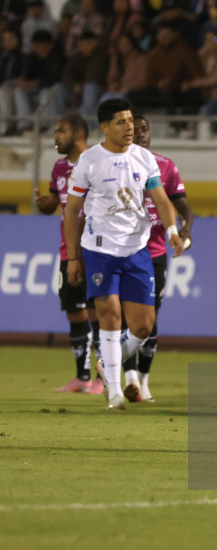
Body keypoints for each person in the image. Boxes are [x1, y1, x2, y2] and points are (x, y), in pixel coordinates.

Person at [63, 99, 184, 410]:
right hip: (100, 250)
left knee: (144, 327)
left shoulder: (144, 158)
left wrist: (172, 231)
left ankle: (106, 362)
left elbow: (162, 199)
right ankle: (114, 391)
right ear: (104, 127)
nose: (129, 126)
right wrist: (74, 258)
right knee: (110, 318)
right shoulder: (89, 161)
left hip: (137, 250)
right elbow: (73, 211)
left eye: (131, 120)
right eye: (121, 121)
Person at [121, 114, 194, 402]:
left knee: (151, 320)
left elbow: (184, 207)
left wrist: (186, 229)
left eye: (145, 129)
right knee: (129, 318)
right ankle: (129, 380)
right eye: (134, 130)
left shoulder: (165, 166)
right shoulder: (116, 165)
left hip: (156, 254)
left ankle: (144, 379)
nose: (141, 134)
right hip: (125, 253)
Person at [36, 115, 103, 395]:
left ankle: (104, 380)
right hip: (68, 251)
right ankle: (82, 377)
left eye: (60, 131)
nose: (55, 137)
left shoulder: (98, 162)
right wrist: (45, 203)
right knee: (74, 314)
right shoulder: (59, 167)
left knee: (99, 314)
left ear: (77, 134)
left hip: (97, 250)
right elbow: (55, 203)